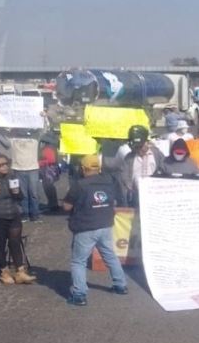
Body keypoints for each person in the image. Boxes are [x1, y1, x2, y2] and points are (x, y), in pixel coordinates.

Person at [62, 154, 127, 306]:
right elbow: (116, 200)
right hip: (105, 225)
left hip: (86, 227)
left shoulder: (80, 184)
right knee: (110, 256)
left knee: (79, 261)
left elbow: (67, 206)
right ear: (98, 168)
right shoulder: (109, 181)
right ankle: (120, 285)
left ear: (83, 169)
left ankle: (79, 294)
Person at [0, 152, 35, 285]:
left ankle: (20, 272)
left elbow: (20, 198)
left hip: (13, 214)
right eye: (0, 165)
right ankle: (4, 272)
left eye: (6, 164)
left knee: (15, 242)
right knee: (0, 244)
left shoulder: (12, 177)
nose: (4, 167)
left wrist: (17, 193)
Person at [118, 125, 164, 208]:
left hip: (155, 196)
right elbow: (124, 178)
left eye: (140, 146)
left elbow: (164, 171)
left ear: (147, 142)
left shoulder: (157, 154)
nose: (139, 149)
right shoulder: (129, 158)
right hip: (136, 198)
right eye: (136, 147)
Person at [10, 131, 42, 222]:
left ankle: (35, 215)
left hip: (33, 169)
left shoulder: (35, 137)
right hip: (18, 169)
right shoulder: (13, 138)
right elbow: (2, 130)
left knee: (34, 194)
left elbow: (44, 129)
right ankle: (25, 215)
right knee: (23, 195)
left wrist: (44, 117)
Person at [38, 135, 61, 213]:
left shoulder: (48, 149)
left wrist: (40, 163)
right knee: (50, 188)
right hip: (50, 170)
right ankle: (52, 204)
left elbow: (51, 160)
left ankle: (53, 205)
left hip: (48, 170)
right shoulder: (52, 148)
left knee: (48, 188)